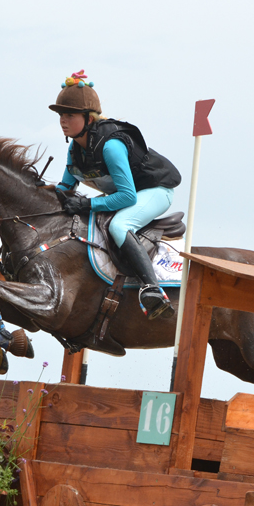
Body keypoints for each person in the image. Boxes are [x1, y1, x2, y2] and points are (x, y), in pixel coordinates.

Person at [49, 70, 181, 320]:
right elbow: (65, 191)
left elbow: (128, 198)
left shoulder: (111, 146)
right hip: (128, 194)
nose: (63, 121)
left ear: (88, 119)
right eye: (61, 115)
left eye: (69, 115)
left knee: (120, 226)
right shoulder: (74, 149)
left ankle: (152, 288)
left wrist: (87, 203)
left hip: (154, 191)